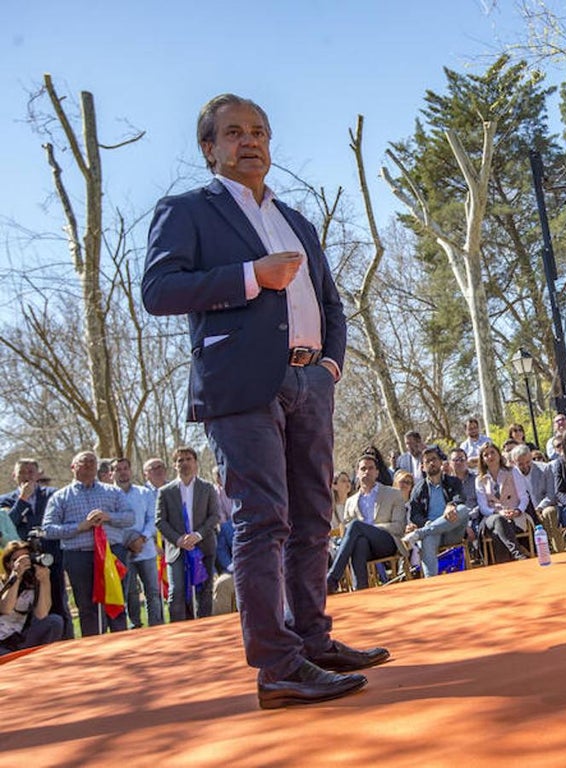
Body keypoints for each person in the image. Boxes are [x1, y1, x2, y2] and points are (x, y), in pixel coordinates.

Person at [142, 94, 384, 708]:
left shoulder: (295, 219)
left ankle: (313, 641)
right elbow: (158, 290)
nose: (249, 141)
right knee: (263, 520)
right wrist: (252, 275)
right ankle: (277, 667)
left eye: (259, 131)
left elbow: (330, 302)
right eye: (234, 133)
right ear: (209, 148)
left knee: (313, 517)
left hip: (311, 384)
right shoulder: (186, 211)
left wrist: (329, 367)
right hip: (240, 385)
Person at [41, 450, 134, 636]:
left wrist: (108, 517)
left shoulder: (113, 491)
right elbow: (48, 529)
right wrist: (79, 527)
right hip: (79, 557)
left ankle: (122, 644)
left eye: (93, 461)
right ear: (73, 467)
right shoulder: (61, 497)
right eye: (84, 462)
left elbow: (130, 517)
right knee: (87, 607)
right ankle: (94, 645)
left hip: (112, 554)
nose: (90, 465)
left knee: (116, 602)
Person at [0, 459, 71, 639]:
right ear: (14, 476)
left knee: (58, 604)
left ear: (39, 474)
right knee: (21, 605)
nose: (27, 476)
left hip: (50, 557)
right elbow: (8, 526)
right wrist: (22, 500)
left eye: (31, 472)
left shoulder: (53, 495)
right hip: (18, 561)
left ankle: (66, 640)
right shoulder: (5, 501)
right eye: (22, 472)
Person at [156, 447, 220, 621]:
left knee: (204, 591)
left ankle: (205, 628)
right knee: (176, 592)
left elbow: (215, 516)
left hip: (203, 546)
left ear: (195, 462)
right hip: (177, 549)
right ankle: (179, 630)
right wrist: (178, 540)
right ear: (174, 465)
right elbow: (160, 521)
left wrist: (198, 535)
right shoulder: (165, 492)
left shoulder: (207, 488)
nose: (184, 463)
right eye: (180, 460)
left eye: (188, 459)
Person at [327, 452, 405, 591]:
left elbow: (399, 527)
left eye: (370, 468)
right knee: (360, 542)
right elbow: (346, 533)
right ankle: (361, 591)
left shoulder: (393, 494)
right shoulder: (351, 502)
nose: (366, 472)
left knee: (356, 526)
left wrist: (370, 528)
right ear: (357, 473)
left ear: (377, 472)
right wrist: (363, 531)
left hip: (387, 542)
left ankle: (332, 578)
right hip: (366, 547)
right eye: (363, 469)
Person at [112, 458, 164, 629]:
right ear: (112, 473)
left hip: (145, 548)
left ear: (131, 471)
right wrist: (127, 542)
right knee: (130, 592)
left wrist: (142, 538)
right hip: (121, 550)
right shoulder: (109, 495)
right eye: (118, 469)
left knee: (153, 591)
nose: (123, 472)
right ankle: (135, 625)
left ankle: (157, 625)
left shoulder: (144, 493)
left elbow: (153, 518)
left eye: (125, 468)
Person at [402, 449, 467, 577]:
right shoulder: (418, 489)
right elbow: (415, 515)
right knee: (427, 539)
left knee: (463, 509)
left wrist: (451, 505)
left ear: (440, 462)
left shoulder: (453, 481)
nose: (432, 463)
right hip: (432, 533)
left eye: (434, 459)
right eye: (428, 461)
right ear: (422, 467)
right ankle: (431, 581)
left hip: (451, 528)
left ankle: (420, 533)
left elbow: (460, 498)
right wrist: (426, 523)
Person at [0, 540, 64, 656]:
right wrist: (16, 577)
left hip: (19, 638)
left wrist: (44, 581)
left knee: (55, 621)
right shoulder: (2, 583)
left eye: (26, 558)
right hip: (1, 641)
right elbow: (6, 609)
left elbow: (42, 614)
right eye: (17, 560)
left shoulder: (32, 584)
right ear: (8, 564)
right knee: (8, 658)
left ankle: (41, 657)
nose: (23, 563)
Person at [474, 442, 532, 562]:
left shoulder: (513, 471)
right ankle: (519, 555)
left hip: (515, 516)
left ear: (499, 454)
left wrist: (517, 511)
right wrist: (498, 512)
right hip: (491, 517)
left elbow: (524, 497)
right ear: (482, 460)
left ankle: (505, 565)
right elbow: (483, 507)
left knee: (497, 534)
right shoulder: (480, 480)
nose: (490, 456)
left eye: (492, 452)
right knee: (498, 520)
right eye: (486, 455)